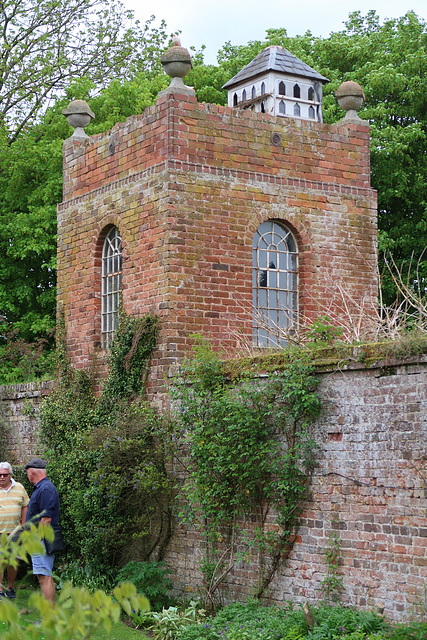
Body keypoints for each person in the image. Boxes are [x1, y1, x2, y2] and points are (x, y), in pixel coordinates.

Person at [25, 458, 60, 605]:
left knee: (44, 576)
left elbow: (46, 519)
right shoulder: (43, 487)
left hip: (42, 540)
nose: (27, 476)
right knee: (44, 576)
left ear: (31, 471)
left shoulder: (45, 488)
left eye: (27, 473)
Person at [0, 461, 29, 599]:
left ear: (10, 475)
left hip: (15, 532)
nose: (2, 477)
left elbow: (25, 506)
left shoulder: (20, 488)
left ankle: (10, 587)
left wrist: (23, 525)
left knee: (13, 562)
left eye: (5, 474)